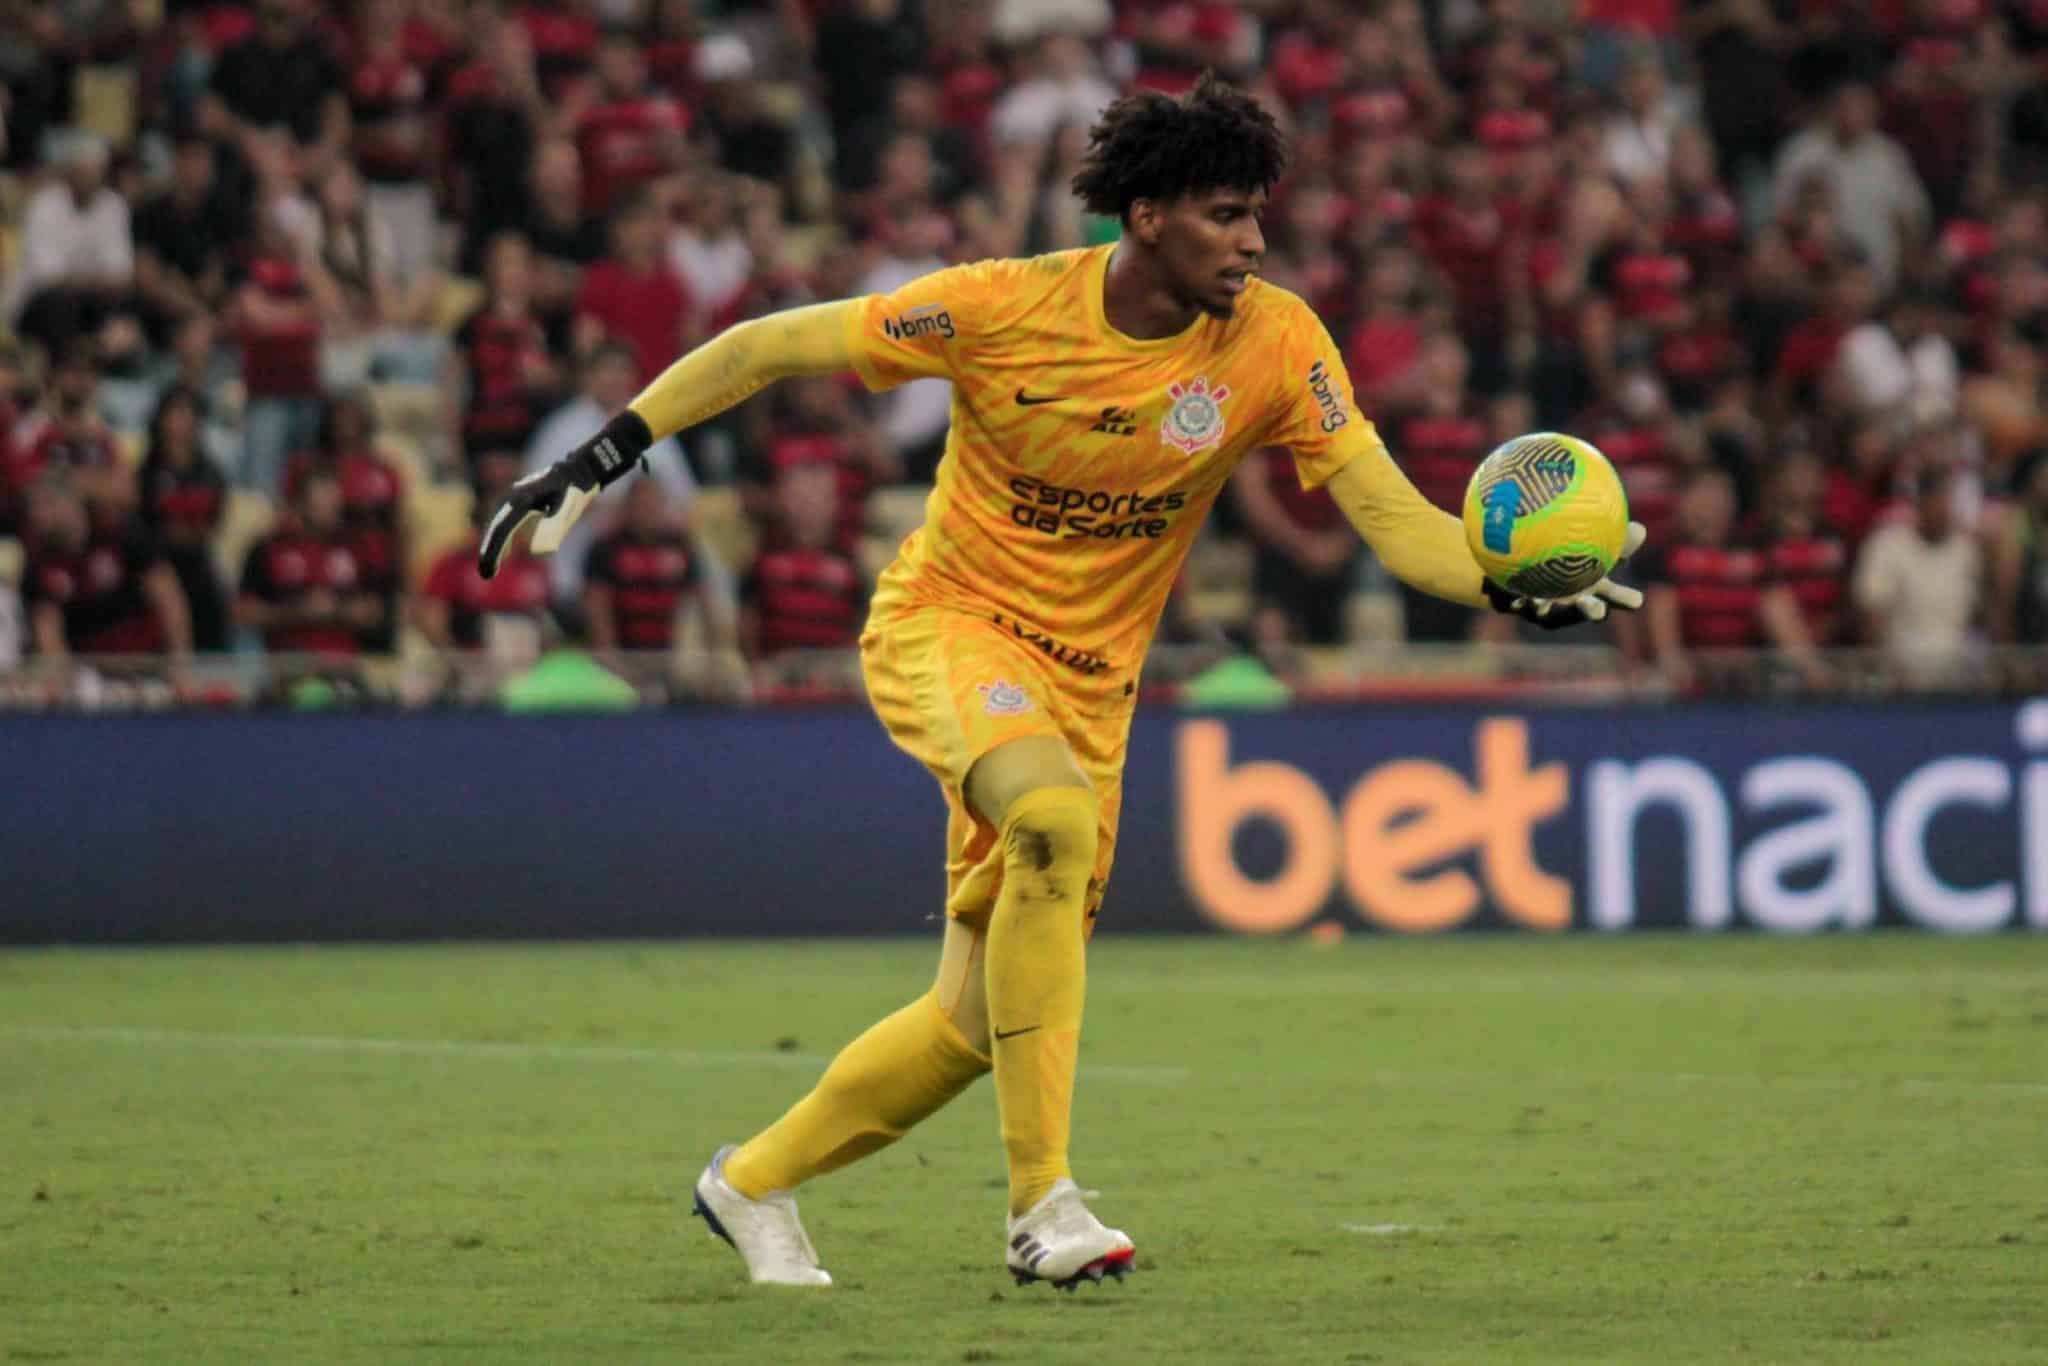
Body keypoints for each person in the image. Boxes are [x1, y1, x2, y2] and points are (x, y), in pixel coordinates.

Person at [477, 76, 1645, 1291]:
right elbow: (770, 345)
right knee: (1048, 821)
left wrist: (1508, 585)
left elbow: (1396, 520)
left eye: (1258, 217)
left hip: (1091, 693)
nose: (1252, 242)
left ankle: (750, 1181)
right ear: (1145, 216)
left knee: (974, 1027)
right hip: (950, 626)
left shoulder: (1277, 342)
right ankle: (1042, 1206)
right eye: (1224, 215)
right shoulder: (997, 306)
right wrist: (599, 455)